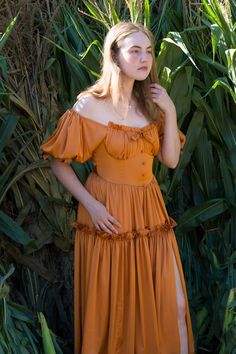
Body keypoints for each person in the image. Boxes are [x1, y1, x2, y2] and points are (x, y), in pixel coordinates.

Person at [40, 21, 195, 354]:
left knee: (176, 306)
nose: (144, 59)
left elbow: (169, 160)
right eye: (135, 51)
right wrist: (90, 205)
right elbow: (57, 161)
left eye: (149, 51)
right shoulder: (89, 105)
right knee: (117, 313)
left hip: (150, 212)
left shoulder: (151, 104)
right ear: (114, 55)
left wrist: (169, 109)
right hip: (108, 213)